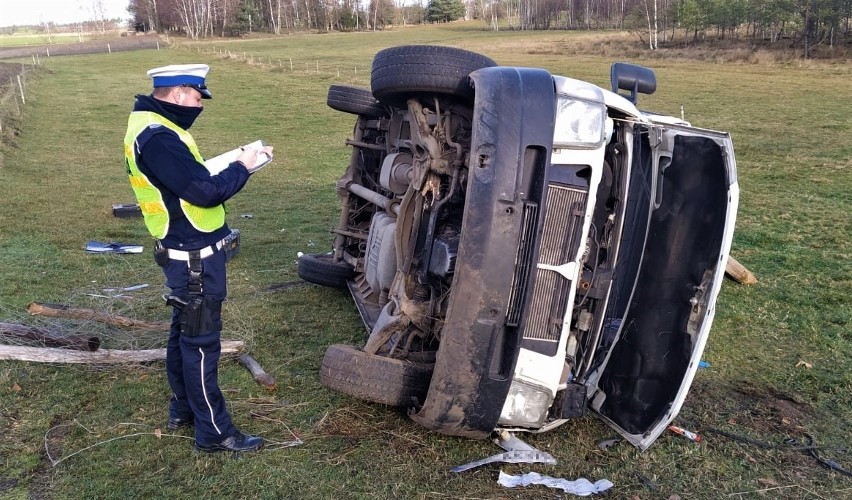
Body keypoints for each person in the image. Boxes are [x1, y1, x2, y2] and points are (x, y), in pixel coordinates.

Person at [123, 63, 273, 453]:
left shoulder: (149, 127)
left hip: (181, 251)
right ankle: (215, 432)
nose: (199, 105)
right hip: (194, 260)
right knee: (202, 344)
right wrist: (244, 167)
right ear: (176, 94)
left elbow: (185, 181)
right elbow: (204, 192)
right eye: (196, 96)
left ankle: (183, 409)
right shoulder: (159, 138)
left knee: (183, 334)